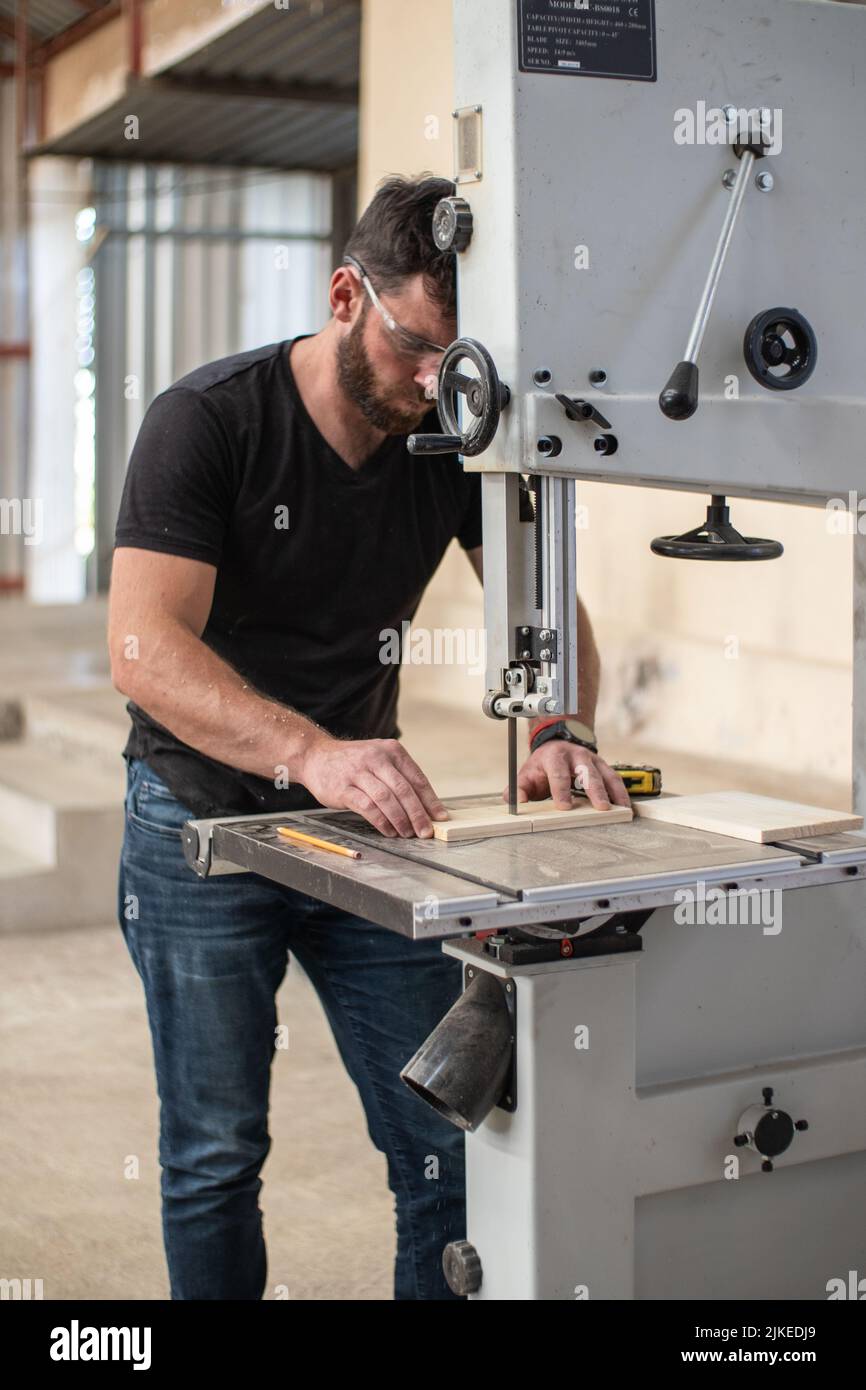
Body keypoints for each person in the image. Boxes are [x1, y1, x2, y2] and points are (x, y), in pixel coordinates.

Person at [107, 173, 630, 1301]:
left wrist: (554, 722)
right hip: (200, 826)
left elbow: (544, 601)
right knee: (213, 1156)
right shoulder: (209, 421)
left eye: (461, 360)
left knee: (446, 1140)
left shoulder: (445, 435)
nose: (439, 383)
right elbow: (143, 650)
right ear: (346, 294)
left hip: (361, 832)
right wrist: (311, 751)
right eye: (418, 347)